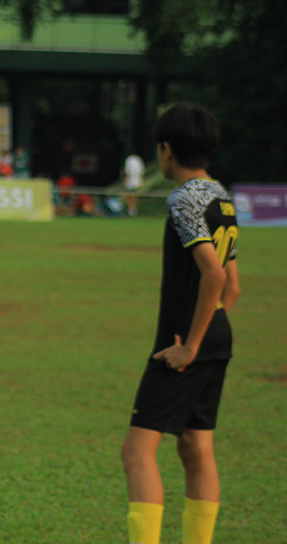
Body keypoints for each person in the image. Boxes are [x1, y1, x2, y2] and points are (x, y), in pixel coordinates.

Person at [120, 103, 240, 544]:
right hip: (217, 333)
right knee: (195, 447)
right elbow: (233, 288)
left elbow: (215, 273)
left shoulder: (183, 199)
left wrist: (190, 345)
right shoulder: (221, 197)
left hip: (183, 342)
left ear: (166, 150)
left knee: (137, 452)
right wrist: (210, 334)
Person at [124, 151, 146, 216]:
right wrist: (141, 181)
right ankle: (133, 210)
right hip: (137, 181)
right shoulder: (138, 159)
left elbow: (127, 171)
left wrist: (125, 181)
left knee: (130, 195)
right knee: (134, 195)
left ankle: (131, 210)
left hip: (130, 181)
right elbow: (141, 171)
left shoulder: (129, 159)